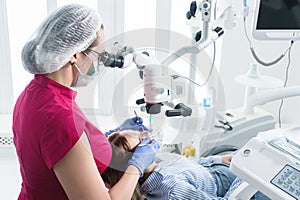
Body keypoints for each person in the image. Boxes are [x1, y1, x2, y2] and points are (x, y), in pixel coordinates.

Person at [12, 4, 159, 200]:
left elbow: (62, 147)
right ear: (75, 54)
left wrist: (99, 139)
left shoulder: (34, 94)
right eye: (98, 55)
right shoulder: (59, 118)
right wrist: (136, 166)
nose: (99, 63)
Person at [103, 130, 271, 200]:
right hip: (228, 187)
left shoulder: (155, 161)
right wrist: (248, 176)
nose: (147, 136)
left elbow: (186, 164)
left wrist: (218, 160)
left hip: (214, 169)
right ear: (135, 163)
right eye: (141, 141)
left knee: (262, 147)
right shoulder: (171, 189)